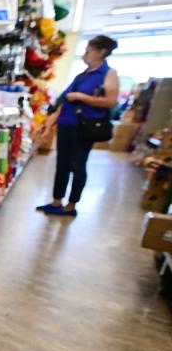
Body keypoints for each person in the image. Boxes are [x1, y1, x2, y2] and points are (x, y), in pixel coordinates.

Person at [36, 35, 119, 216]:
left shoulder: (108, 74)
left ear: (101, 52)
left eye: (88, 51)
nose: (85, 54)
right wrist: (49, 125)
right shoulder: (82, 75)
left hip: (84, 127)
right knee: (62, 164)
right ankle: (56, 201)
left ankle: (72, 205)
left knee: (78, 165)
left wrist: (81, 97)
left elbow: (110, 101)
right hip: (66, 123)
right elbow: (64, 101)